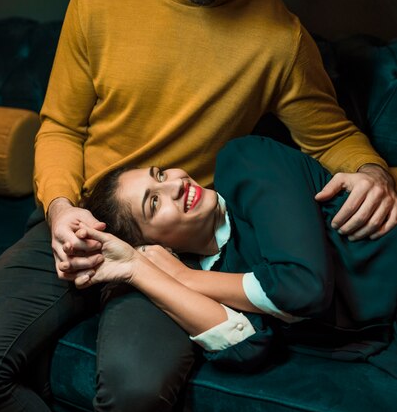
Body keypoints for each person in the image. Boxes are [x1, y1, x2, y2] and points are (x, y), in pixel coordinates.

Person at [0, 0, 396, 412]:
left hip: (179, 248)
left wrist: (375, 174)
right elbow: (62, 127)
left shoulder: (277, 37)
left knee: (137, 392)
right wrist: (62, 208)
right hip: (83, 217)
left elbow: (335, 138)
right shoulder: (97, 1)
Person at [75, 135, 397, 375]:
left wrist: (184, 278)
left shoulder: (245, 162)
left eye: (159, 174)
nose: (175, 184)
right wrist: (138, 269)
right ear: (155, 246)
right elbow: (247, 346)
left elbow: (303, 287)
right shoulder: (214, 273)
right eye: (154, 203)